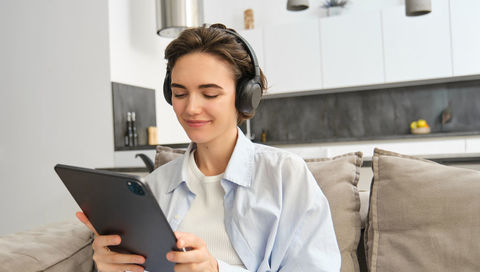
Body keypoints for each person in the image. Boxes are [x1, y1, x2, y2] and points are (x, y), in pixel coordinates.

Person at [76, 23, 341, 272]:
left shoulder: (286, 176)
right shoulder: (154, 187)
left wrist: (216, 269)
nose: (190, 108)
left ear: (246, 97)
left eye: (210, 94)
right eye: (180, 93)